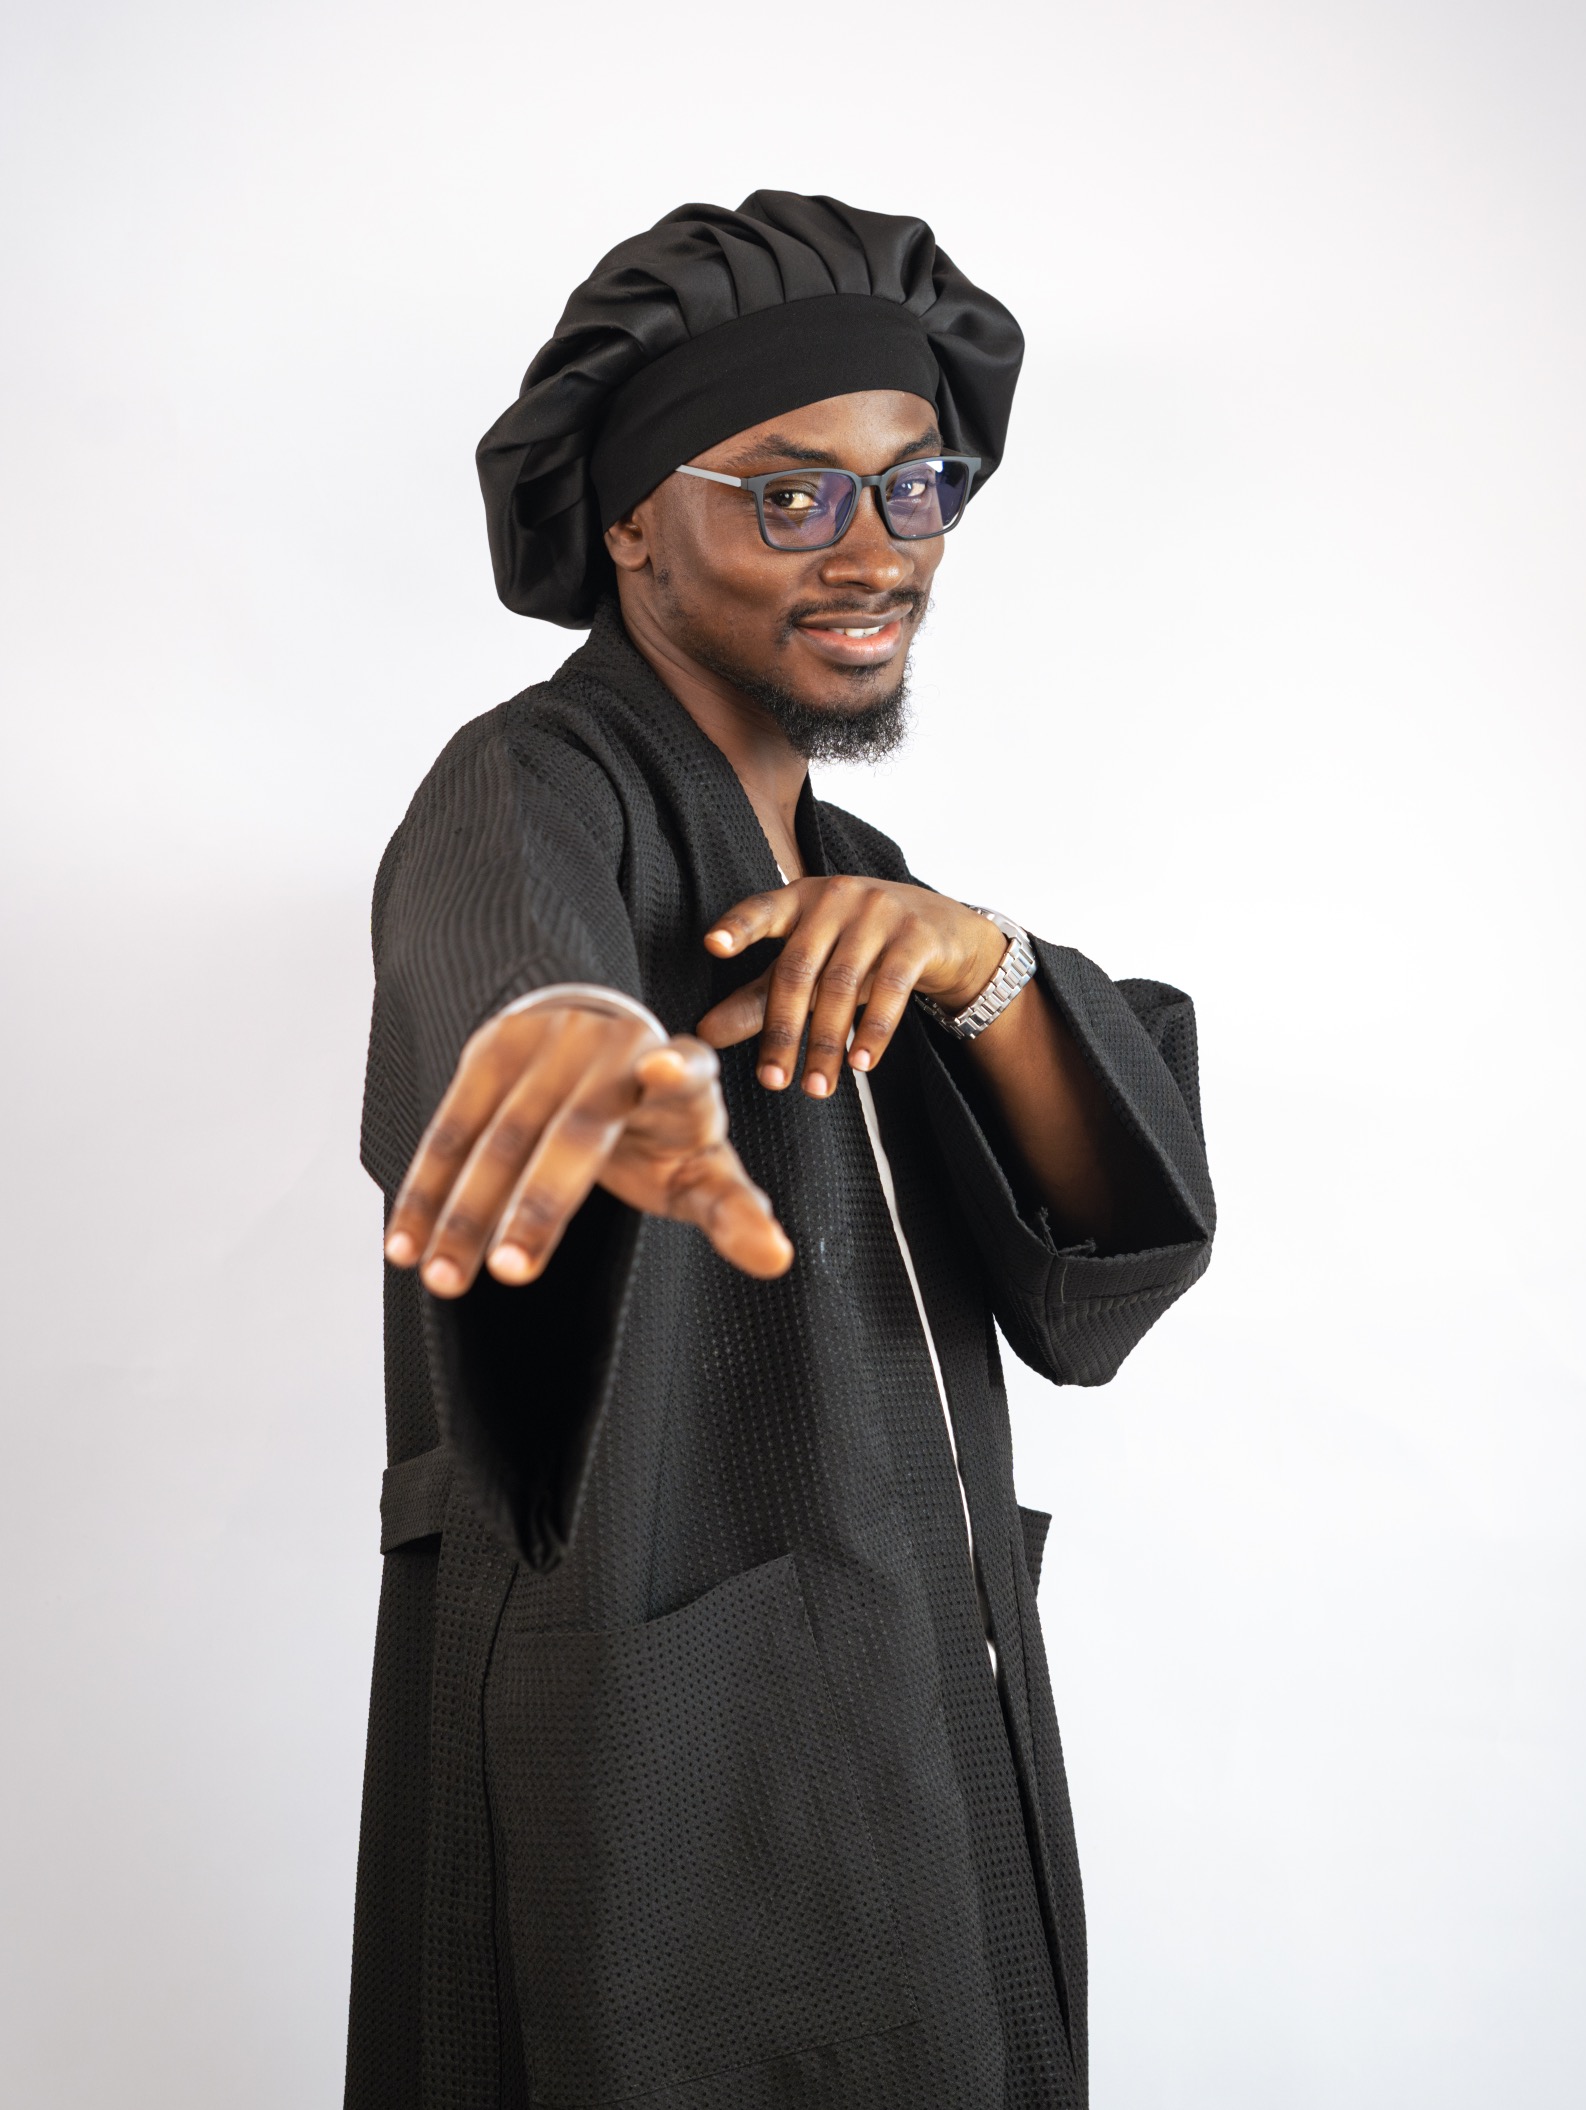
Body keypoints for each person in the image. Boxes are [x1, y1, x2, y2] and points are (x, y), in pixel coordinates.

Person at [345, 191, 1215, 2110]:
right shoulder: (531, 781)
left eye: (916, 488)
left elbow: (1100, 1268)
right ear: (631, 519)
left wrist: (988, 968)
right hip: (657, 1757)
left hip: (913, 1697)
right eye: (793, 494)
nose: (876, 549)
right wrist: (565, 1050)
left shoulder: (870, 888)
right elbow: (502, 950)